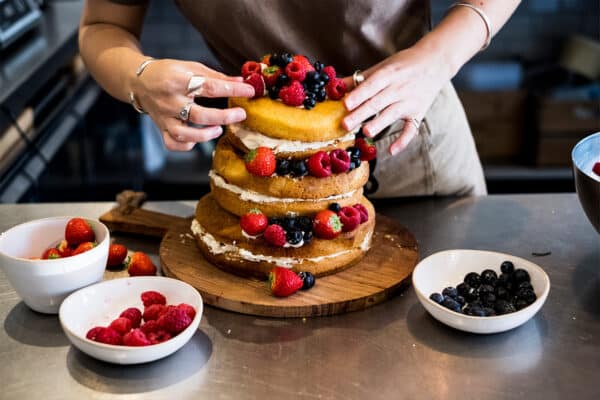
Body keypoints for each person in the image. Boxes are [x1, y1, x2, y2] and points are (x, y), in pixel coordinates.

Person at [79, 0, 521, 197]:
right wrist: (140, 78)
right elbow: (102, 25)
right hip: (264, 165)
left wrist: (436, 59)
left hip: (406, 146)